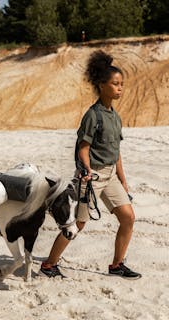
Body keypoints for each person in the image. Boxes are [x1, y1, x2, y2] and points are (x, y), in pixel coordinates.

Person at [40, 50, 141, 280]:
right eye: (115, 84)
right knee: (79, 224)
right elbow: (83, 148)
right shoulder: (93, 115)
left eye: (122, 84)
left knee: (128, 218)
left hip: (111, 176)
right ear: (102, 85)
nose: (120, 88)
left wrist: (122, 178)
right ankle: (49, 264)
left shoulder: (114, 116)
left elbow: (116, 152)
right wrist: (85, 171)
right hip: (91, 176)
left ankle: (116, 265)